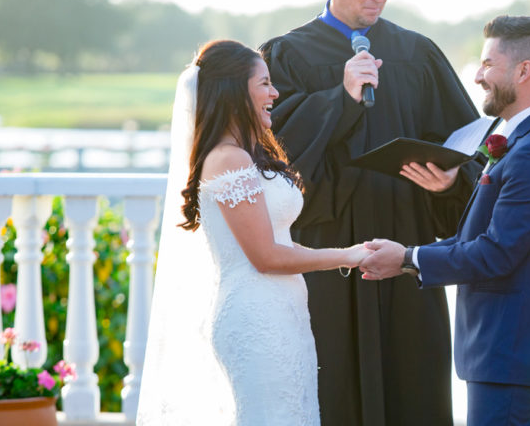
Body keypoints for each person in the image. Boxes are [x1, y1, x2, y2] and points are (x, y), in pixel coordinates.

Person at [260, 0, 482, 425]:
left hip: (404, 249)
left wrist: (450, 182)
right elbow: (270, 157)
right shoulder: (287, 55)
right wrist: (339, 100)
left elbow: (467, 146)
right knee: (332, 390)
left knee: (413, 390)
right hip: (328, 255)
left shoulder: (416, 55)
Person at [360, 15, 530, 426]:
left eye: (488, 64)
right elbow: (481, 237)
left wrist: (408, 258)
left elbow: (495, 253)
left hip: (513, 353)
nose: (479, 76)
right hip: (503, 354)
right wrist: (408, 254)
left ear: (524, 71)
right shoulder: (524, 140)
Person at [136, 40, 369, 425]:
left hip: (282, 312)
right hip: (256, 318)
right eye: (264, 83)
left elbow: (278, 241)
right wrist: (348, 255)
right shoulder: (228, 158)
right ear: (233, 92)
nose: (274, 93)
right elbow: (267, 257)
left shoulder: (245, 155)